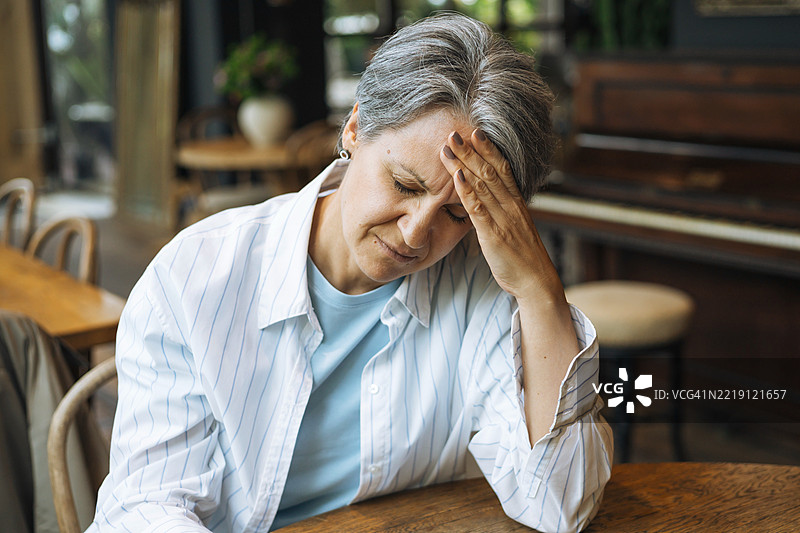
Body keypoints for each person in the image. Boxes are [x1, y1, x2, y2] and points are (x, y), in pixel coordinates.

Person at [89, 12, 612, 533]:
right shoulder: (191, 280)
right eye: (404, 185)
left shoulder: (484, 289)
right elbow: (146, 508)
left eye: (457, 214)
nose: (415, 234)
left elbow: (559, 504)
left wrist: (539, 290)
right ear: (356, 129)